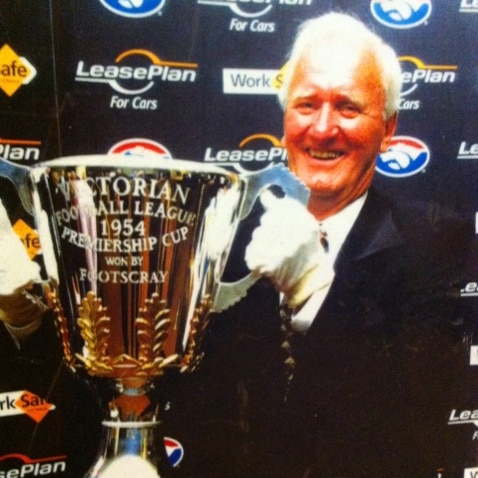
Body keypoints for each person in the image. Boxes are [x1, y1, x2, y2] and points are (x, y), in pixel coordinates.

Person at [165, 12, 476, 478]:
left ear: (389, 129)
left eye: (348, 108)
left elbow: (415, 425)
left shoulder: (435, 242)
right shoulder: (222, 235)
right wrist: (21, 315)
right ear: (285, 118)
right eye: (306, 105)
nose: (323, 128)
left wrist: (315, 292)